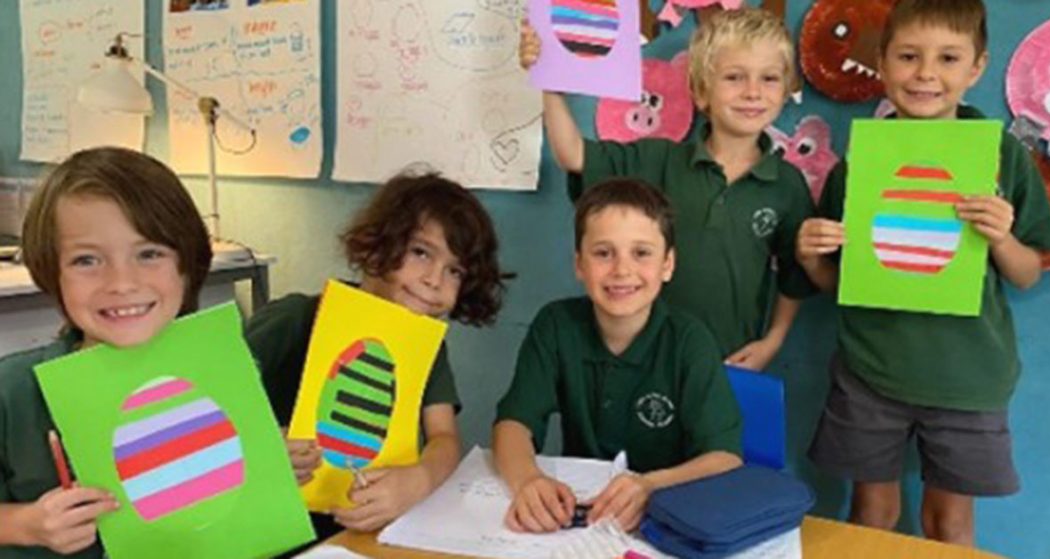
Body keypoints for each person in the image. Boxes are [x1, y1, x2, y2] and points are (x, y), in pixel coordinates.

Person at [796, 0, 1050, 546]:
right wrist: (810, 258)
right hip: (871, 370)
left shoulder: (1003, 158)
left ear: (977, 67)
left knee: (950, 524)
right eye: (909, 57)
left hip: (967, 377)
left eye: (947, 58)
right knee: (871, 514)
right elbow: (843, 284)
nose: (925, 74)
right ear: (884, 62)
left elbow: (1028, 273)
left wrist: (1001, 238)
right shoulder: (859, 163)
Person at [519, 8, 815, 370]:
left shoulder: (786, 185)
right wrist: (548, 81)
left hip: (729, 364)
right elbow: (574, 155)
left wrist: (774, 339)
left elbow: (794, 273)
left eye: (769, 78)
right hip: (643, 361)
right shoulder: (658, 160)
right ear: (702, 92)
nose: (752, 92)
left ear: (785, 91)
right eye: (734, 77)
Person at [245, 171, 507, 540]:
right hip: (264, 530)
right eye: (420, 252)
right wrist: (261, 446)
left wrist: (419, 480)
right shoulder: (296, 319)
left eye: (454, 271)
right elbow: (211, 401)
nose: (434, 280)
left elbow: (444, 437)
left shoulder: (426, 346)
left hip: (358, 531)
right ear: (375, 246)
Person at [493, 179, 742, 533]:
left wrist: (650, 486)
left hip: (666, 518)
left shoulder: (690, 341)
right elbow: (513, 423)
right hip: (581, 518)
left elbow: (725, 457)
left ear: (668, 264)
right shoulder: (555, 325)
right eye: (603, 253)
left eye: (641, 253)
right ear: (579, 264)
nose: (622, 270)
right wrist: (528, 481)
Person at [0, 147, 213, 558]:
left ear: (187, 265)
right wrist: (27, 524)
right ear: (51, 272)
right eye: (86, 260)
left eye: (149, 254)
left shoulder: (224, 372)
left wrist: (276, 468)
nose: (122, 282)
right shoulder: (14, 392)